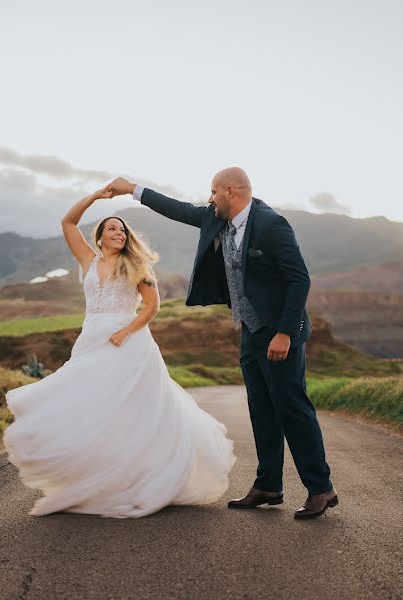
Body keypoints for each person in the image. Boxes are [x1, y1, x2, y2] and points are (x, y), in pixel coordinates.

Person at [106, 169, 338, 519]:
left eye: (214, 191)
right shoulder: (218, 219)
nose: (209, 197)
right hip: (249, 330)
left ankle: (321, 488)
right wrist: (132, 190)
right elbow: (178, 209)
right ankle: (268, 485)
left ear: (231, 191)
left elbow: (299, 279)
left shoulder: (272, 225)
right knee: (261, 408)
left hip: (280, 334)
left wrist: (286, 333)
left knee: (291, 407)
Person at [2, 186, 236, 518]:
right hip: (90, 341)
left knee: (131, 412)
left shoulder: (138, 265)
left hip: (130, 342)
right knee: (91, 409)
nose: (119, 233)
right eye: (112, 229)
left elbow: (152, 308)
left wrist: (125, 332)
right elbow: (68, 222)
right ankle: (93, 476)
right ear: (99, 238)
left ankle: (138, 478)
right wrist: (97, 196)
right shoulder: (87, 260)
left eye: (123, 230)